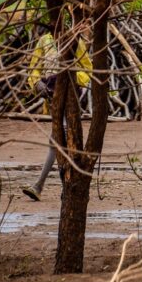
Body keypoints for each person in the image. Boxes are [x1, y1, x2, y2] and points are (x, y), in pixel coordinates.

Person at [22, 29, 91, 202]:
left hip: (72, 96)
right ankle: (58, 186)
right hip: (52, 96)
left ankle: (45, 185)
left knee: (61, 140)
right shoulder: (45, 40)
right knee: (59, 139)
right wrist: (37, 83)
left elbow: (87, 69)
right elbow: (34, 68)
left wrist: (71, 78)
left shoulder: (75, 41)